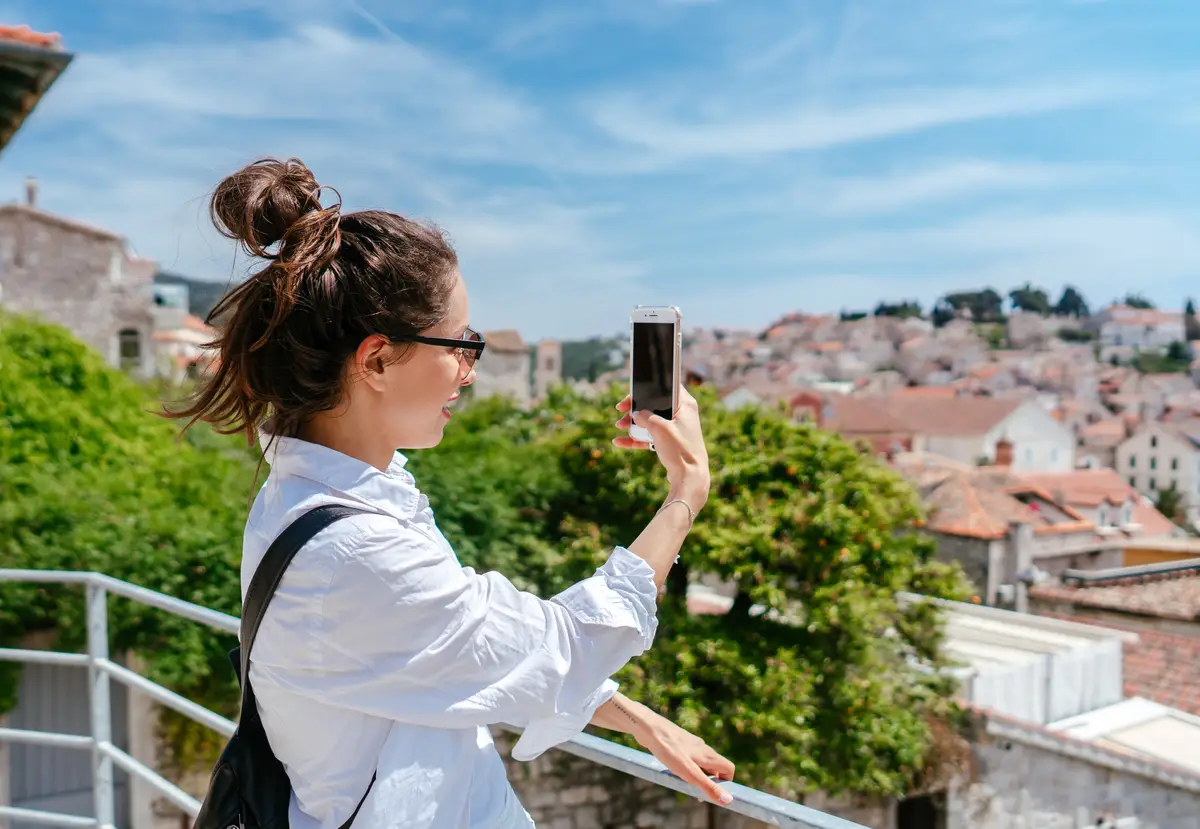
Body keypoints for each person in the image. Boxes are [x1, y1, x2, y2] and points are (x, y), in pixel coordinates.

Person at [169, 157, 734, 829]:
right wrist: (685, 493)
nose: (467, 372)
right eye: (460, 344)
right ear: (376, 360)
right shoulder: (353, 548)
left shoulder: (339, 493)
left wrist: (633, 716)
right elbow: (561, 643)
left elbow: (464, 641)